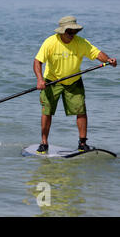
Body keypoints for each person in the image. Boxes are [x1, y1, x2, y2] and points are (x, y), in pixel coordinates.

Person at [33, 16, 117, 154]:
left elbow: (96, 53)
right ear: (62, 31)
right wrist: (40, 80)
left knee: (81, 111)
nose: (72, 35)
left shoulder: (80, 42)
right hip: (51, 81)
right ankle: (44, 144)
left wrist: (108, 60)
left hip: (74, 81)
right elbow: (37, 62)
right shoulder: (50, 42)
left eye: (75, 32)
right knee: (47, 112)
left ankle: (82, 143)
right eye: (69, 32)